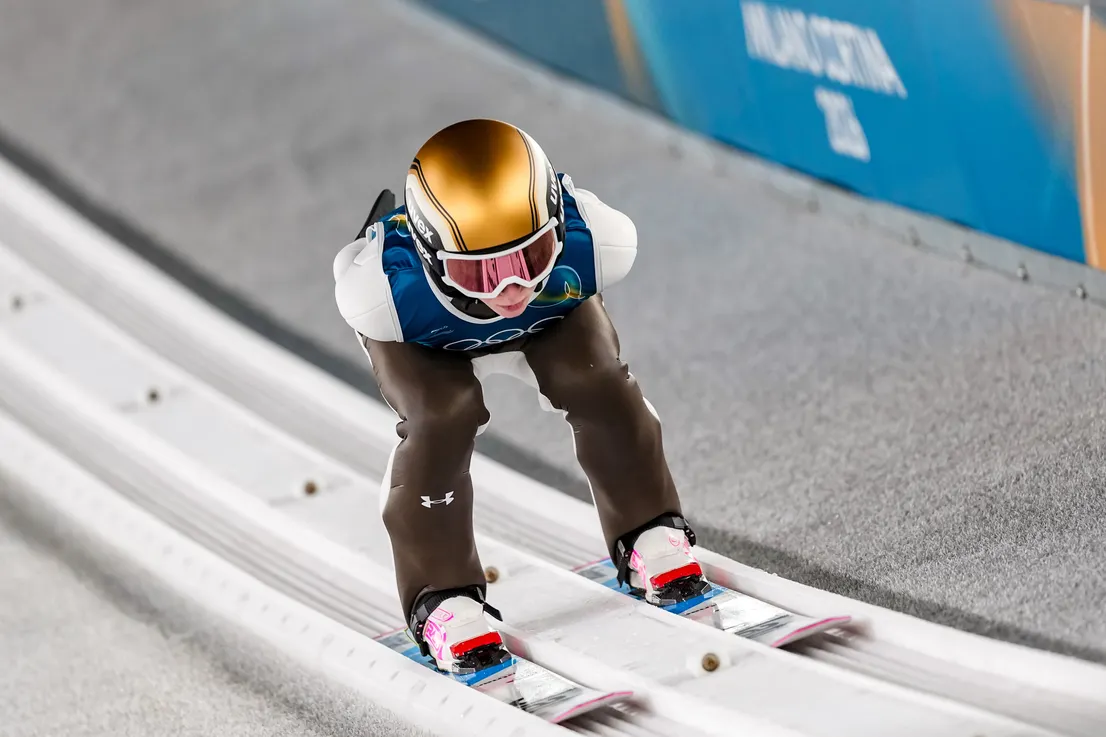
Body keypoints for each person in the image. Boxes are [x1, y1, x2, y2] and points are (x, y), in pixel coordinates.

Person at [333, 118, 710, 675]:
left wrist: (499, 278)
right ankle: (441, 596)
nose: (508, 291)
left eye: (530, 258)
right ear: (428, 255)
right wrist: (539, 275)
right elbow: (357, 280)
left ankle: (647, 528)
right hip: (428, 339)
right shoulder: (383, 294)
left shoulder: (597, 242)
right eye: (478, 273)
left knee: (598, 382)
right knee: (441, 418)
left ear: (559, 225)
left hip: (548, 317)